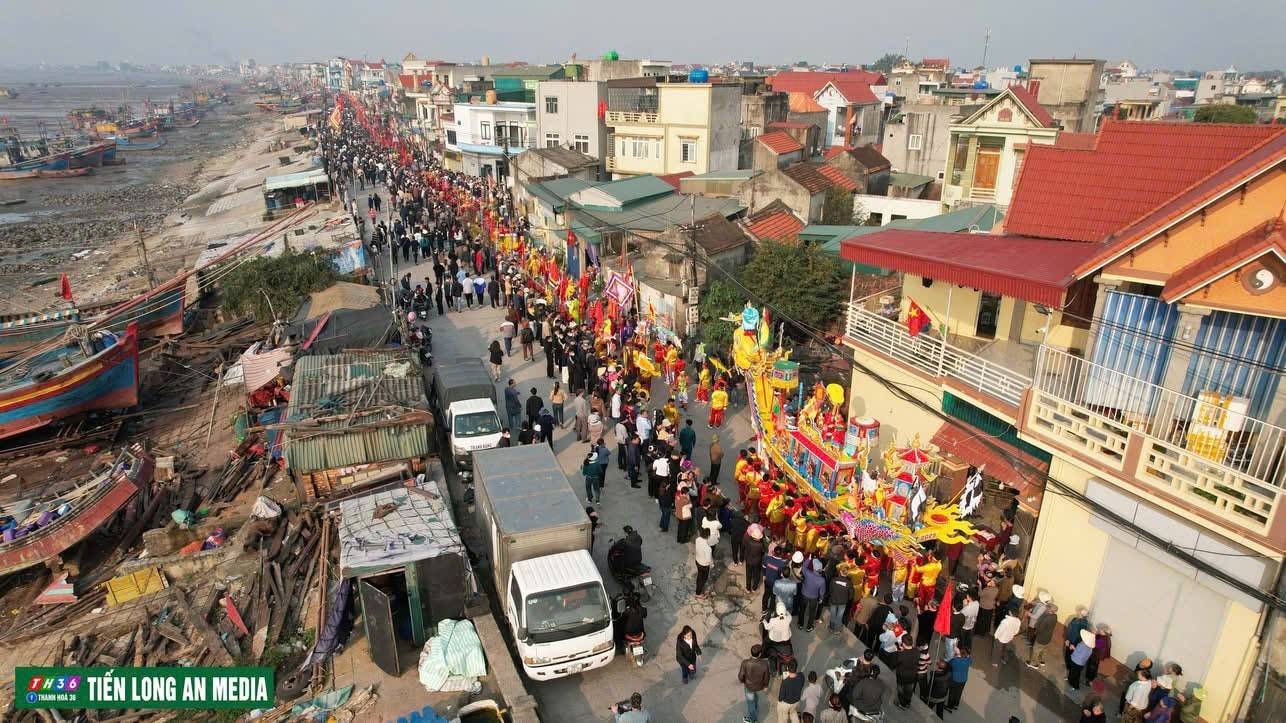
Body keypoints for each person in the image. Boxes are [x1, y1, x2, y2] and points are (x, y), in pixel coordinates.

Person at [739, 645, 771, 723]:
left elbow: (740, 676)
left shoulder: (745, 663)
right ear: (759, 654)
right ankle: (755, 709)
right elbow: (767, 676)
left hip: (749, 686)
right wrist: (766, 685)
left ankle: (753, 720)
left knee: (750, 703)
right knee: (755, 697)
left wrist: (744, 682)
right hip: (759, 686)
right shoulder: (764, 664)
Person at [1067, 628, 1096, 693]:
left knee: (1075, 675)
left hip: (1078, 663)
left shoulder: (1087, 648)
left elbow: (1080, 656)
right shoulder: (1085, 645)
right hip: (1076, 661)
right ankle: (1070, 680)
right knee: (1072, 672)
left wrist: (1073, 648)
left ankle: (1075, 686)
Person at [946, 644, 972, 712]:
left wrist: (956, 655)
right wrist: (960, 654)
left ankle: (949, 706)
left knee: (952, 693)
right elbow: (968, 656)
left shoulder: (956, 660)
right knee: (959, 692)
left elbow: (949, 663)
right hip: (963, 679)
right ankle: (956, 705)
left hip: (955, 679)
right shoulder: (969, 660)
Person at [694, 527, 713, 598]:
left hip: (697, 561)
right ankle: (698, 593)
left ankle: (698, 590)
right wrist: (712, 564)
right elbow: (708, 560)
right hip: (704, 565)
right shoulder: (708, 548)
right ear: (708, 536)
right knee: (703, 578)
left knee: (699, 576)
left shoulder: (697, 539)